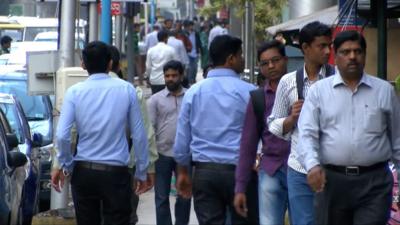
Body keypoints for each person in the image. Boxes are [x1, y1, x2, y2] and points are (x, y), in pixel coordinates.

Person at [298, 30, 400, 225]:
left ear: (364, 54)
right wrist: (312, 166)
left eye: (357, 51)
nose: (352, 56)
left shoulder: (384, 91)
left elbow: (397, 139)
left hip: (375, 183)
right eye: (345, 52)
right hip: (332, 182)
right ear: (335, 57)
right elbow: (307, 133)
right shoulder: (319, 92)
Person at [51, 41, 151, 225]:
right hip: (116, 174)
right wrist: (142, 171)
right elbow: (139, 135)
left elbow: (63, 135)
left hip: (84, 172)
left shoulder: (74, 92)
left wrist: (66, 164)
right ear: (110, 64)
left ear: (83, 65)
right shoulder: (127, 89)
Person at [173, 35, 257, 225]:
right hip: (240, 174)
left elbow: (182, 140)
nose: (242, 59)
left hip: (204, 173)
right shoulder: (249, 91)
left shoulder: (193, 92)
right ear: (231, 59)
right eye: (240, 55)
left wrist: (183, 172)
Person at [267, 21, 333, 225]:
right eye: (321, 46)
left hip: (332, 169)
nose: (327, 51)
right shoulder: (288, 82)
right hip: (299, 169)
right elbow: (273, 123)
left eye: (329, 45)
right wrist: (291, 119)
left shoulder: (337, 79)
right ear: (305, 48)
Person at [234, 40, 291, 225]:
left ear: (285, 60)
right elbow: (248, 145)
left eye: (275, 60)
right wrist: (240, 187)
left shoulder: (302, 91)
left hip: (301, 170)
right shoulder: (258, 98)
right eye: (265, 63)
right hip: (270, 170)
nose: (271, 66)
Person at [109, 45, 159, 225]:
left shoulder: (77, 91)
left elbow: (67, 133)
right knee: (124, 217)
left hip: (87, 169)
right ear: (115, 64)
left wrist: (63, 164)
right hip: (124, 168)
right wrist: (147, 168)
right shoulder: (130, 91)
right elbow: (143, 134)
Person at [147, 60, 191, 225]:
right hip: (162, 154)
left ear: (181, 76)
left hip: (185, 155)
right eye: (167, 76)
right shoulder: (155, 100)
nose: (170, 79)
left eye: (174, 75)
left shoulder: (191, 96)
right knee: (161, 197)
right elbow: (149, 129)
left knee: (185, 196)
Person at [145, 30, 178, 94]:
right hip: (168, 80)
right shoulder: (171, 50)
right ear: (166, 38)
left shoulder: (151, 50)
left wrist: (148, 77)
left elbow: (148, 67)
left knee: (156, 100)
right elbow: (176, 65)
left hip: (154, 80)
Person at [184, 20, 201, 85]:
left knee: (195, 68)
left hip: (195, 53)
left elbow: (199, 42)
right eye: (189, 26)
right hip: (188, 53)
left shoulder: (196, 33)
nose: (191, 27)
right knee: (190, 68)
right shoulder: (185, 34)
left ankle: (193, 79)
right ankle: (190, 80)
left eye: (192, 25)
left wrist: (200, 50)